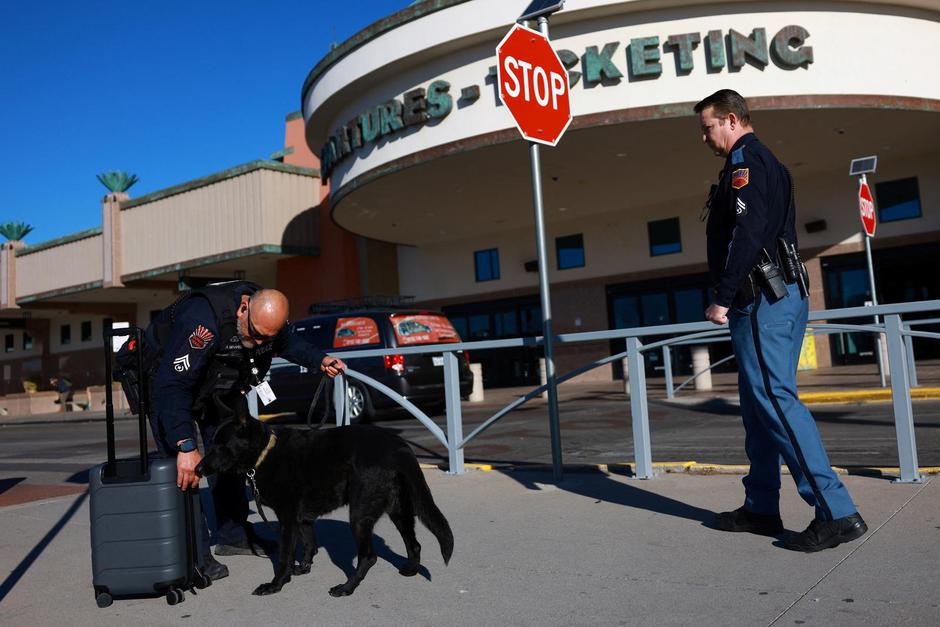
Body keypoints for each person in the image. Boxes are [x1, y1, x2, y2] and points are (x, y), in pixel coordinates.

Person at [695, 89, 867, 552]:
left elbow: (748, 233)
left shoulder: (746, 163)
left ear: (732, 120)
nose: (704, 138)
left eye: (708, 128)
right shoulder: (768, 162)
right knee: (759, 406)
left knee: (774, 400)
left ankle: (837, 512)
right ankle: (761, 507)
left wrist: (723, 297)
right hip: (781, 295)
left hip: (761, 299)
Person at [143, 280, 345, 579]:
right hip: (169, 384)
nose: (261, 344)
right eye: (257, 335)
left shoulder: (265, 317)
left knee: (232, 455)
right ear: (242, 309)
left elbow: (288, 343)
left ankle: (233, 535)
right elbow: (173, 386)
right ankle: (193, 553)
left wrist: (320, 360)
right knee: (186, 470)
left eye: (267, 339)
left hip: (216, 386)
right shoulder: (202, 321)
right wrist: (184, 444)